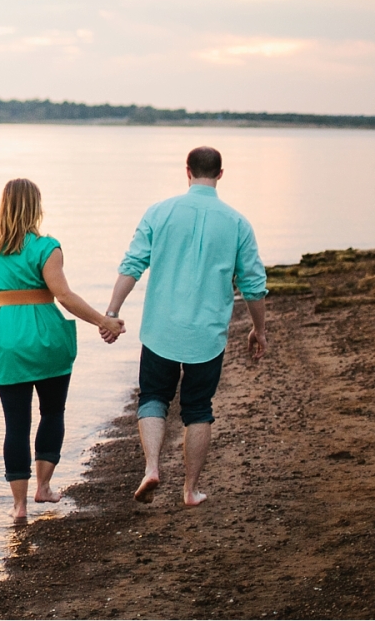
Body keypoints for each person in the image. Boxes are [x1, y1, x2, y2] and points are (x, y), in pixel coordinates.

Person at [103, 146, 267, 507]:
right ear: (220, 174)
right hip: (207, 336)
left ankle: (151, 468)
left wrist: (111, 312)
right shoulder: (238, 223)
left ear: (187, 171)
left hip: (161, 330)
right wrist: (259, 329)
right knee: (198, 409)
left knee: (153, 398)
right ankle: (190, 490)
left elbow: (132, 266)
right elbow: (254, 286)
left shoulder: (159, 212)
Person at [0, 178, 126, 522]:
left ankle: (19, 506)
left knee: (15, 425)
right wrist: (104, 321)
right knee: (51, 411)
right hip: (46, 339)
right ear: (36, 207)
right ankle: (44, 487)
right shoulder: (47, 248)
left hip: (7, 341)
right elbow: (63, 295)